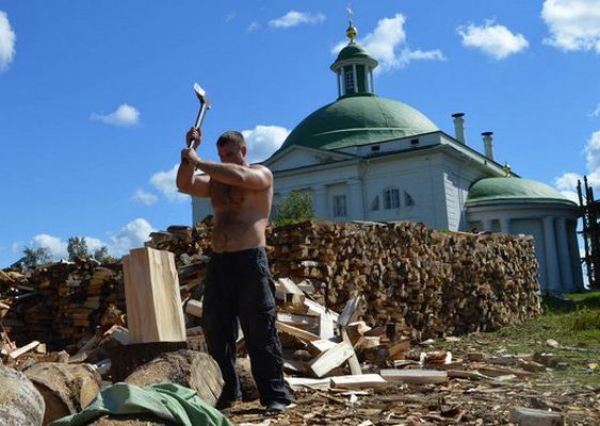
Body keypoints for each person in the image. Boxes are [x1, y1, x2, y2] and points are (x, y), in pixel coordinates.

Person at [177, 127, 291, 413]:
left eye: (230, 154)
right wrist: (186, 158)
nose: (226, 160)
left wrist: (200, 161)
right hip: (220, 261)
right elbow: (185, 184)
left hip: (250, 259)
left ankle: (275, 396)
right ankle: (229, 392)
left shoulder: (261, 174)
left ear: (243, 151)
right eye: (221, 155)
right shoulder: (216, 182)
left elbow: (239, 176)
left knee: (260, 330)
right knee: (216, 330)